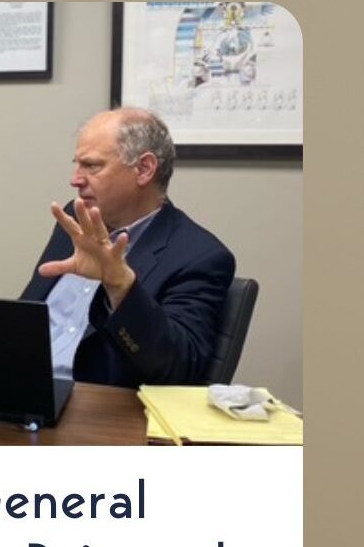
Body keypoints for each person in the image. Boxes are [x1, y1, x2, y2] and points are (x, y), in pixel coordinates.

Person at [20, 107, 235, 387]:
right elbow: (27, 316)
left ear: (144, 169)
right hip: (21, 391)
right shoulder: (74, 219)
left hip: (96, 408)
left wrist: (121, 286)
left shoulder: (199, 256)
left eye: (92, 166)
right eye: (77, 164)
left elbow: (177, 369)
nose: (75, 179)